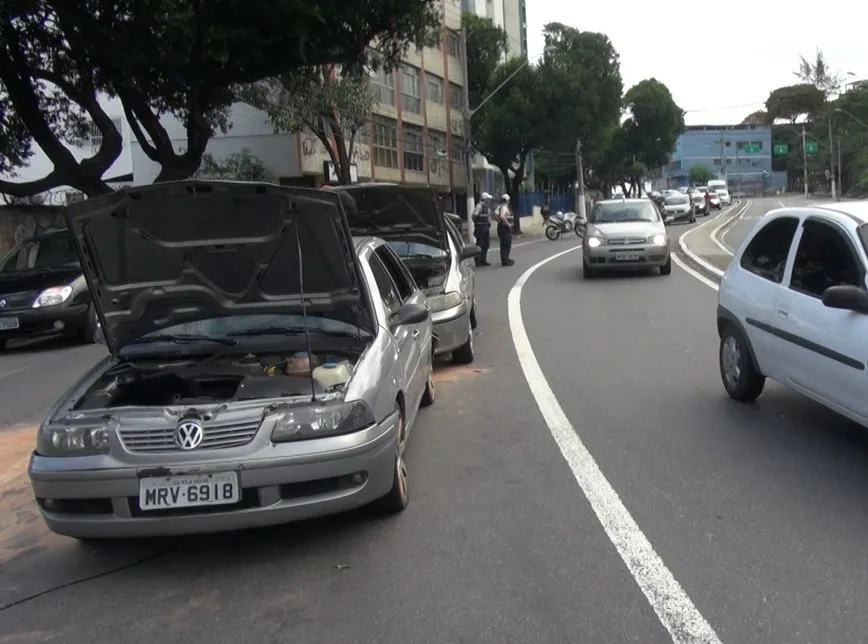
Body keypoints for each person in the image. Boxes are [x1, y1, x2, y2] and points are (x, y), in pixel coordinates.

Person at [472, 192, 493, 266]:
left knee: (486, 244)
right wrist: (477, 223)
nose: (488, 201)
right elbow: (474, 216)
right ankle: (478, 261)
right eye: (488, 199)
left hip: (486, 227)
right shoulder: (479, 206)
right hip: (480, 228)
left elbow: (488, 217)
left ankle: (483, 260)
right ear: (485, 199)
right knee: (480, 245)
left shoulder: (487, 207)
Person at [495, 193, 514, 266]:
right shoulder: (504, 207)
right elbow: (502, 216)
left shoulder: (500, 207)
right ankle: (505, 261)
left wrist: (499, 221)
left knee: (506, 244)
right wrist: (507, 224)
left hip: (502, 227)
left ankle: (506, 258)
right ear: (507, 200)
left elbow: (495, 214)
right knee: (505, 244)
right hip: (505, 228)